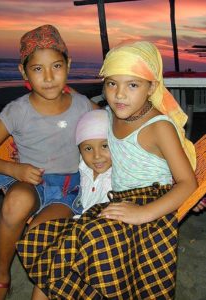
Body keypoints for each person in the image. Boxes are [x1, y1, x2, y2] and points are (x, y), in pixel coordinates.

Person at [17, 41, 197, 299]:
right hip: (118, 201)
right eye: (112, 83)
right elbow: (75, 127)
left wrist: (142, 213)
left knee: (88, 243)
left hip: (150, 208)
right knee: (56, 249)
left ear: (152, 87)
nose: (119, 95)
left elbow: (186, 183)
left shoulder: (159, 127)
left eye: (132, 85)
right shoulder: (110, 114)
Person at [0, 24, 97, 300]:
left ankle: (46, 285)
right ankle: (2, 277)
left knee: (39, 235)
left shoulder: (83, 105)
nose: (48, 77)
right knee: (14, 204)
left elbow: (114, 133)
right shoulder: (17, 111)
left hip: (68, 191)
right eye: (37, 69)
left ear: (68, 64)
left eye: (56, 66)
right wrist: (13, 169)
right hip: (30, 182)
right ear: (24, 72)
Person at [26, 109, 112, 299]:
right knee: (49, 267)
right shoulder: (81, 165)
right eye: (88, 148)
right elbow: (51, 157)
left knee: (61, 265)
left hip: (99, 237)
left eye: (105, 145)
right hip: (76, 228)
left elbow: (154, 173)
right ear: (80, 150)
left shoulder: (122, 171)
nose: (97, 156)